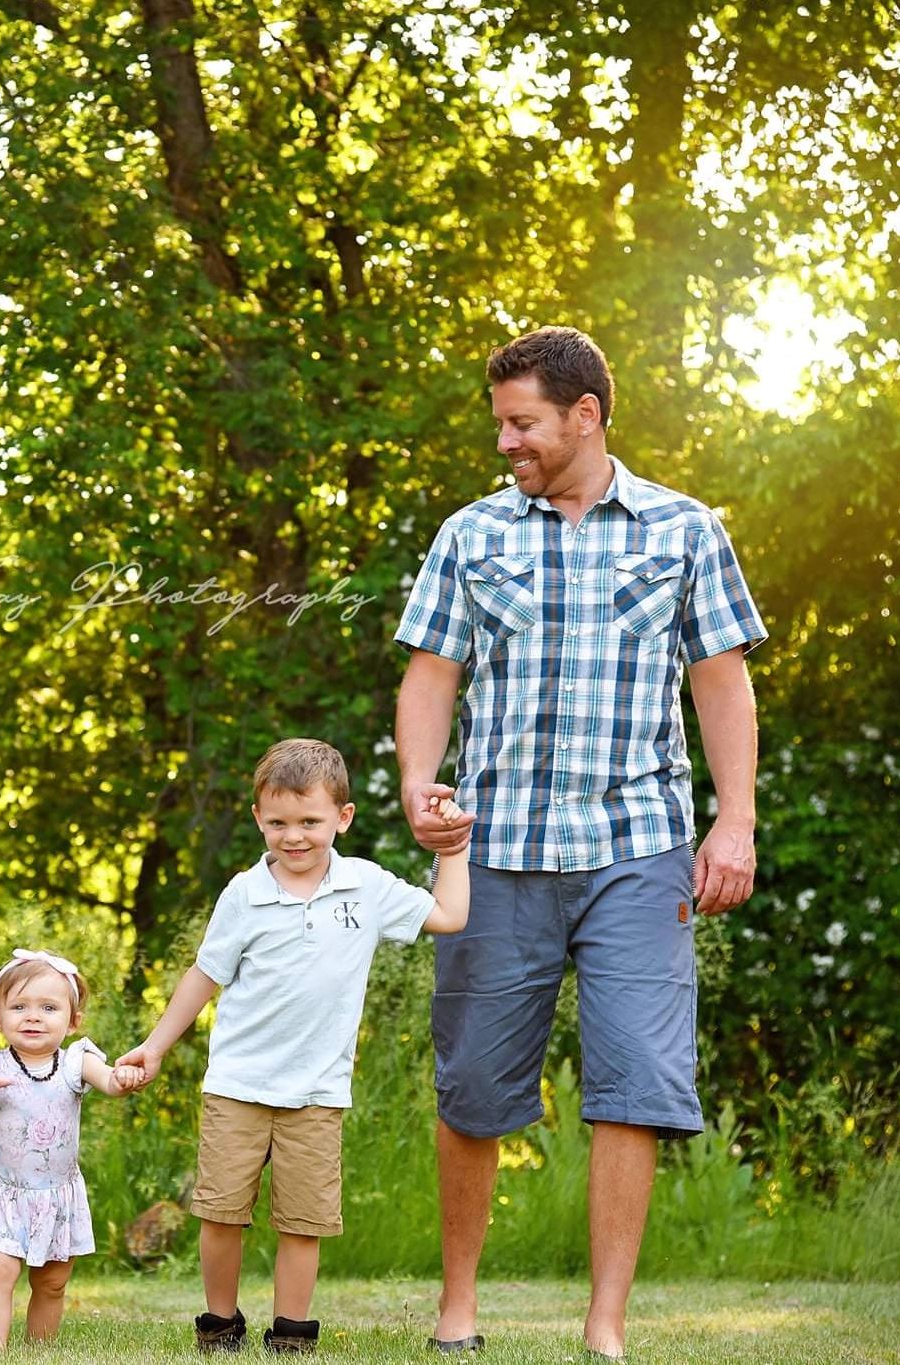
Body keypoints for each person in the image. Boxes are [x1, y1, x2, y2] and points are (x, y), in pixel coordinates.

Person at [393, 325, 767, 1360]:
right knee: (470, 1085)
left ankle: (602, 1325)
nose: (505, 443)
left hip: (637, 849)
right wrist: (420, 786)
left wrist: (729, 820)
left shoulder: (683, 531)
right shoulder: (471, 535)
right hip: (494, 846)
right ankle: (456, 1308)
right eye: (500, 425)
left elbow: (720, 680)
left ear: (584, 415)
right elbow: (430, 675)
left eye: (521, 424)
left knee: (633, 1083)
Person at [117, 739, 470, 1354]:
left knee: (303, 1222)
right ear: (258, 818)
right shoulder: (243, 894)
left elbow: (450, 916)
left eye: (310, 821)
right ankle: (220, 1326)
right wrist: (155, 1046)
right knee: (221, 1213)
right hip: (238, 1086)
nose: (295, 836)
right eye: (278, 822)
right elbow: (205, 975)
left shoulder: (365, 886)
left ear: (343, 817)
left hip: (316, 1093)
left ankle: (292, 1334)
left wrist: (455, 848)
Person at [0, 949, 145, 1350]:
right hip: (3, 1191)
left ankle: (38, 1349)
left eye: (48, 1007)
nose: (33, 1016)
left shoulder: (78, 1062)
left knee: (53, 1281)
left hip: (58, 1194)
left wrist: (124, 1077)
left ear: (73, 1021)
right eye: (19, 1006)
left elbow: (110, 1083)